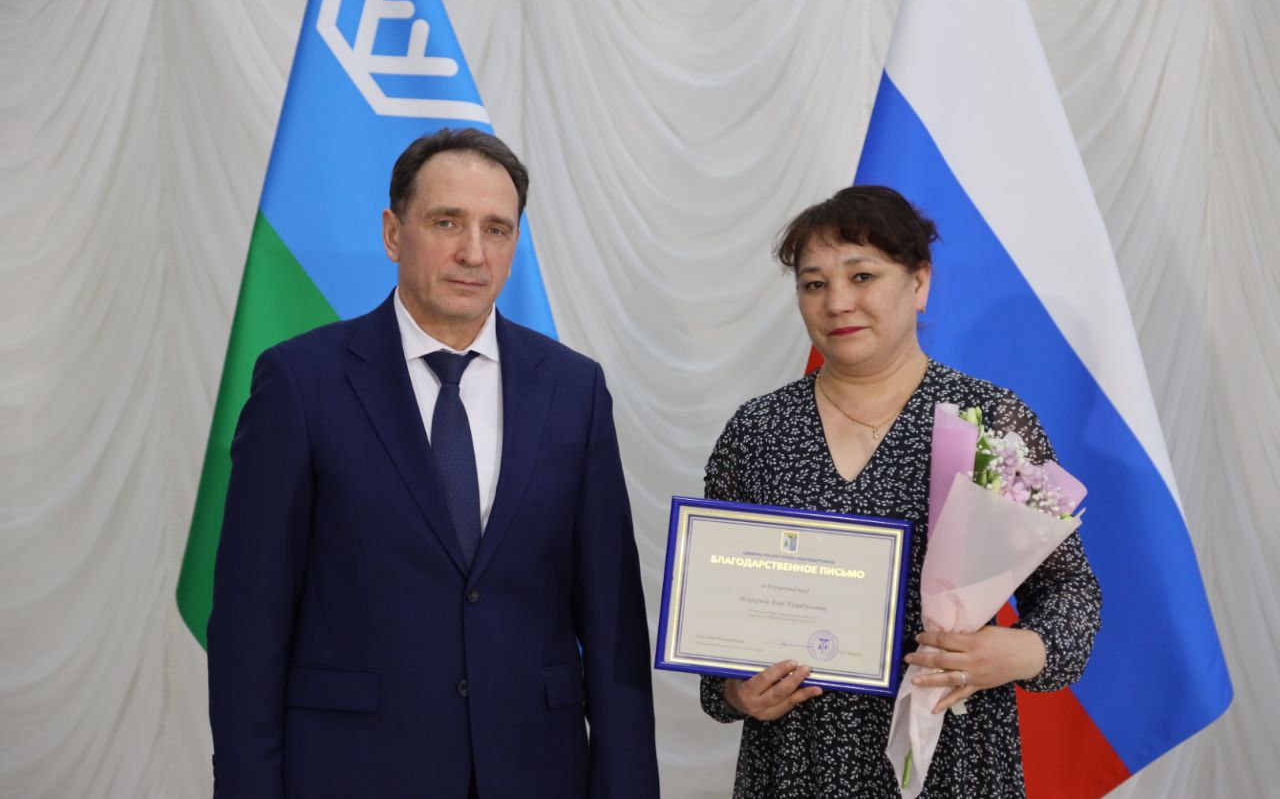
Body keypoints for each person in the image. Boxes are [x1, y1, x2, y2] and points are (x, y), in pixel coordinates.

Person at [208, 128, 659, 799]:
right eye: (447, 222)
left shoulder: (574, 389)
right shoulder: (301, 383)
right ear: (394, 233)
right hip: (353, 773)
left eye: (496, 229)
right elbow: (250, 623)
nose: (473, 252)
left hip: (535, 771)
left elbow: (613, 621)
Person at [698, 185, 1102, 797]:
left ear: (919, 283)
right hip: (798, 760)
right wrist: (734, 692)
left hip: (952, 754)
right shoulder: (758, 432)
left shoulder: (988, 422)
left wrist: (1024, 651)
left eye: (862, 276)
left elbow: (1070, 588)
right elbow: (714, 613)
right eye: (813, 284)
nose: (837, 302)